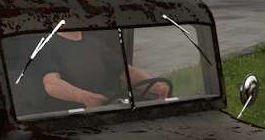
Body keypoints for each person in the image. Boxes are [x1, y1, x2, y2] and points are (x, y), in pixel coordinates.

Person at [31, 30, 169, 111]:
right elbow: (52, 84)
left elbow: (125, 71)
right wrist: (85, 97)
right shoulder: (46, 45)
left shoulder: (94, 43)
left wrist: (156, 86)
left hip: (99, 110)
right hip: (65, 117)